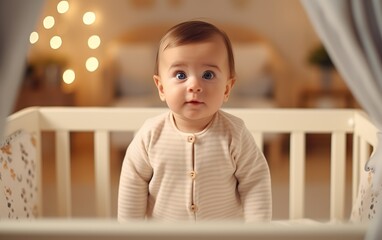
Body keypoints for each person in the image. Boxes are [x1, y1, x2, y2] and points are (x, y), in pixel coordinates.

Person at [118, 20, 272, 223]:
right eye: (180, 75)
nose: (195, 85)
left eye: (208, 75)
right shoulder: (150, 135)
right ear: (161, 87)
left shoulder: (235, 134)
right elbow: (133, 184)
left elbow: (255, 182)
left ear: (227, 88)